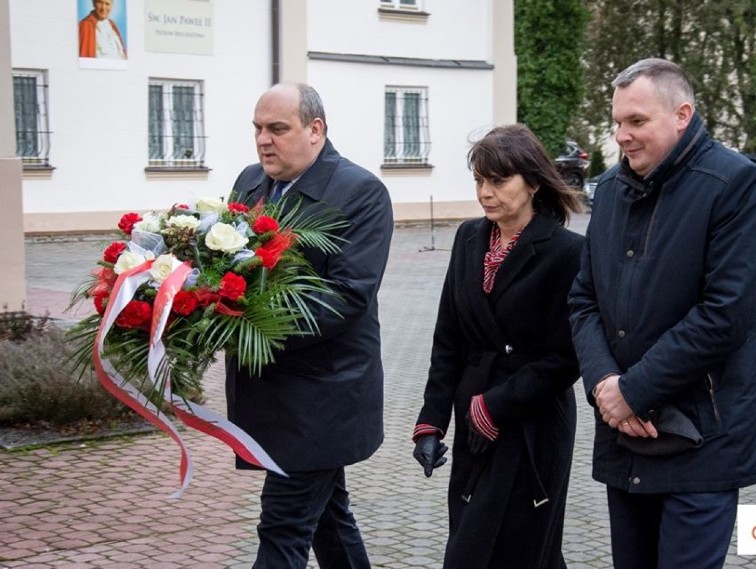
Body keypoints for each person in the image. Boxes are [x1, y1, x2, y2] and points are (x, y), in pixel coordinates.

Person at [569, 58, 756, 569]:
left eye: (636, 122)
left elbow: (727, 313)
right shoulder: (612, 191)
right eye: (617, 122)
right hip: (626, 435)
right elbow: (583, 300)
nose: (622, 136)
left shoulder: (734, 184)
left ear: (682, 114)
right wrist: (605, 385)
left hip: (702, 439)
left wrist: (633, 391)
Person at [226, 82, 393, 569]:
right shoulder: (249, 183)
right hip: (272, 393)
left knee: (283, 526)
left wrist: (249, 327)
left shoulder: (360, 193)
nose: (263, 141)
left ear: (315, 130)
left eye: (278, 129)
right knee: (327, 518)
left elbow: (346, 297)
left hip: (325, 396)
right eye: (257, 129)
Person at [412, 124, 585, 569]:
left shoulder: (567, 251)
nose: (485, 192)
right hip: (473, 414)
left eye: (498, 180)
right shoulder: (468, 238)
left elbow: (566, 357)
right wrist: (431, 422)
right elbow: (448, 337)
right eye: (479, 180)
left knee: (517, 547)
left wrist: (498, 406)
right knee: (478, 539)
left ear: (532, 181)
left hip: (531, 421)